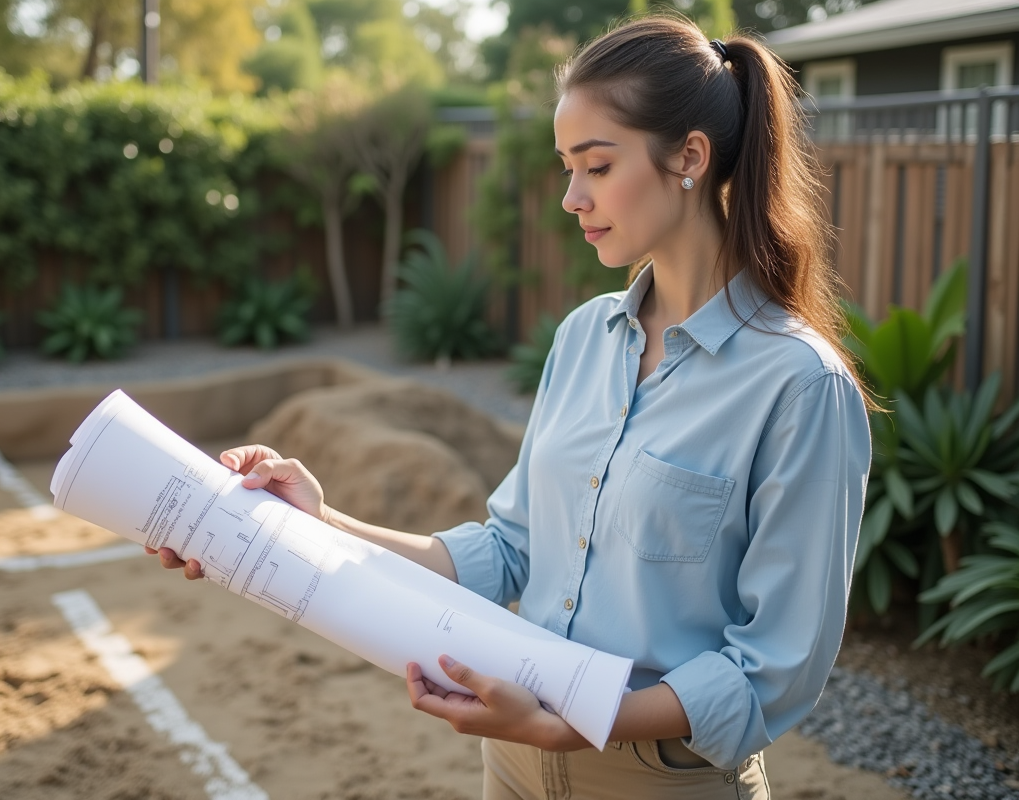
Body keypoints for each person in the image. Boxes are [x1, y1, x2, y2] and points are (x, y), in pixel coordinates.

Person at [149, 15, 872, 799]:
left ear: (690, 157)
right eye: (568, 168)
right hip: (514, 762)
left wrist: (579, 721)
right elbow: (509, 550)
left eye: (597, 166)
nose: (572, 197)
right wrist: (318, 522)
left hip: (662, 780)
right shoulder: (584, 338)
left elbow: (775, 667)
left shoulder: (801, 386)